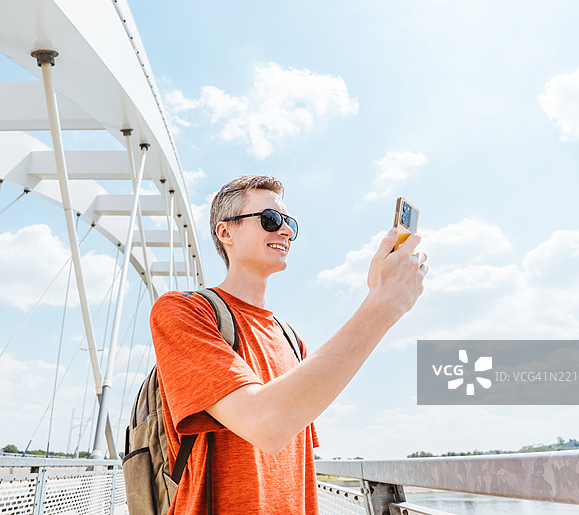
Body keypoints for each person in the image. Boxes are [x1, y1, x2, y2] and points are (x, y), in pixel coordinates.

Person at [150, 175, 427, 514]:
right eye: (271, 220)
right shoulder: (183, 311)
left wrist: (380, 301)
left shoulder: (292, 341)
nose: (285, 232)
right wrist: (382, 305)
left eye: (289, 225)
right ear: (226, 233)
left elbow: (296, 464)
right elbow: (265, 425)